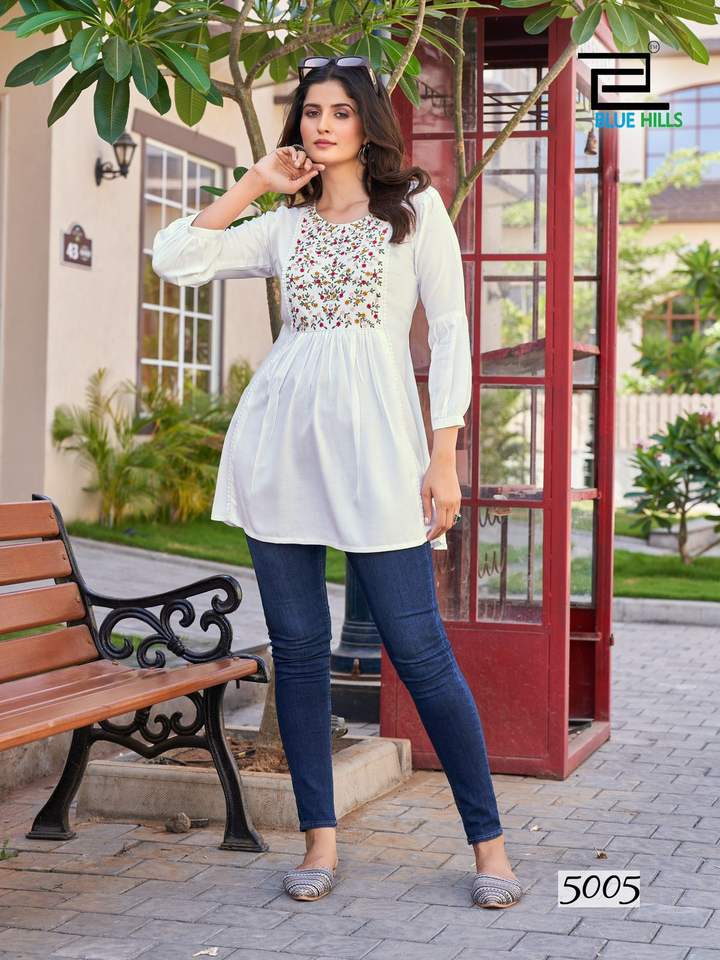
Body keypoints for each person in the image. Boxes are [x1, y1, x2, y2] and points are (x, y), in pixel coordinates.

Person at [152, 53, 523, 910]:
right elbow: (176, 257)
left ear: (368, 123)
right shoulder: (284, 224)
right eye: (310, 112)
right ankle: (320, 839)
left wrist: (444, 454)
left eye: (340, 112)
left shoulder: (416, 210)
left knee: (421, 653)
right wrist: (255, 182)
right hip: (280, 446)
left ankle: (490, 846)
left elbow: (452, 333)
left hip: (381, 454)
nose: (321, 125)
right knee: (298, 652)